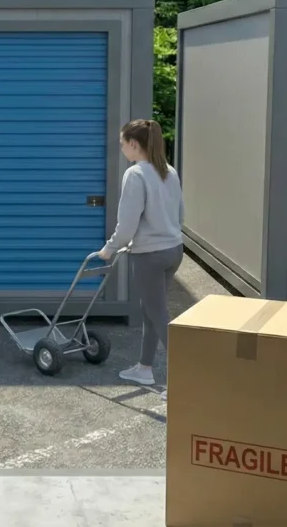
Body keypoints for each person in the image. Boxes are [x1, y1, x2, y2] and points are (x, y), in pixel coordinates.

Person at [99, 119, 184, 401]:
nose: (122, 148)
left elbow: (127, 224)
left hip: (149, 255)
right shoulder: (169, 172)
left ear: (134, 145)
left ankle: (187, 381)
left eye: (123, 143)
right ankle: (144, 368)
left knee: (159, 315)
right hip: (174, 250)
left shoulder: (135, 174)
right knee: (150, 309)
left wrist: (110, 248)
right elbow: (179, 213)